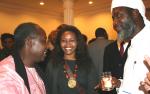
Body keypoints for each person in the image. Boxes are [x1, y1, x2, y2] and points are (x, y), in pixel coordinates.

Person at [111, 0, 150, 93]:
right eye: (113, 18)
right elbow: (134, 85)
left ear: (135, 13)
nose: (114, 23)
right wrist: (119, 83)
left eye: (119, 16)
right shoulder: (132, 45)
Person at [46, 24, 98, 94]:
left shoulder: (88, 64)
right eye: (64, 40)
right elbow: (49, 90)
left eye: (72, 40)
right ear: (59, 43)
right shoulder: (52, 64)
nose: (67, 44)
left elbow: (93, 90)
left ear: (77, 42)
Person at [0, 22, 47, 94]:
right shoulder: (6, 75)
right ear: (29, 42)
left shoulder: (36, 68)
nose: (47, 46)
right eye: (43, 41)